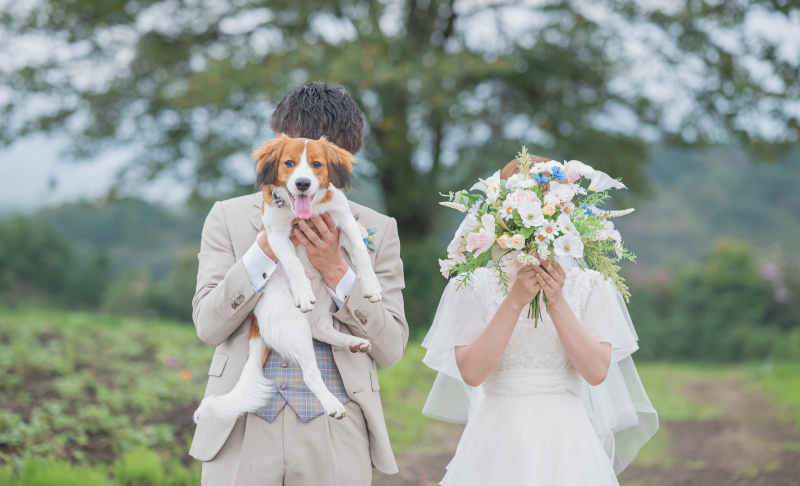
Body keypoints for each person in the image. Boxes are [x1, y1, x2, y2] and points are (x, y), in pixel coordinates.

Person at [189, 82, 408, 486]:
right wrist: (264, 251)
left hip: (336, 428)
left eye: (324, 163)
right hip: (242, 427)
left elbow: (392, 348)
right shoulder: (227, 217)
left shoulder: (378, 228)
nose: (306, 175)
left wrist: (337, 271)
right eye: (294, 160)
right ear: (278, 147)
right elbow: (207, 325)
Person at [421, 157, 658, 485]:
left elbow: (596, 371)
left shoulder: (592, 286)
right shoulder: (474, 285)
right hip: (497, 436)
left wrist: (557, 301)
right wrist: (515, 301)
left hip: (567, 438)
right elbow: (472, 373)